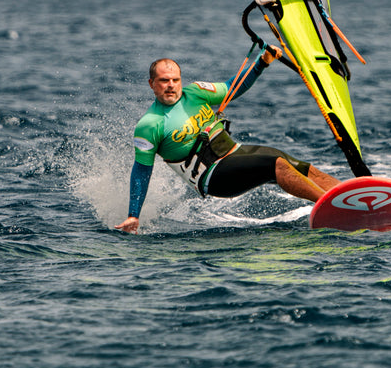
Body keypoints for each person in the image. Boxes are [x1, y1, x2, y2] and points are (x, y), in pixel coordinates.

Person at [114, 48, 341, 233]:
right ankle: (334, 210)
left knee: (292, 163)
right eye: (164, 81)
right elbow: (141, 172)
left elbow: (233, 87)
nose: (171, 85)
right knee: (276, 165)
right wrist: (133, 215)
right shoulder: (149, 124)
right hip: (213, 176)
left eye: (175, 79)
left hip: (234, 153)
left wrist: (262, 62)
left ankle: (347, 195)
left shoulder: (195, 93)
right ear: (152, 84)